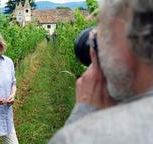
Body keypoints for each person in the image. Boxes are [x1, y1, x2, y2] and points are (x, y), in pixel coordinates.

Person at [49, 0, 153, 143]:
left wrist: (84, 114)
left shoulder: (76, 137)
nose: (95, 39)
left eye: (101, 24)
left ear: (127, 32)